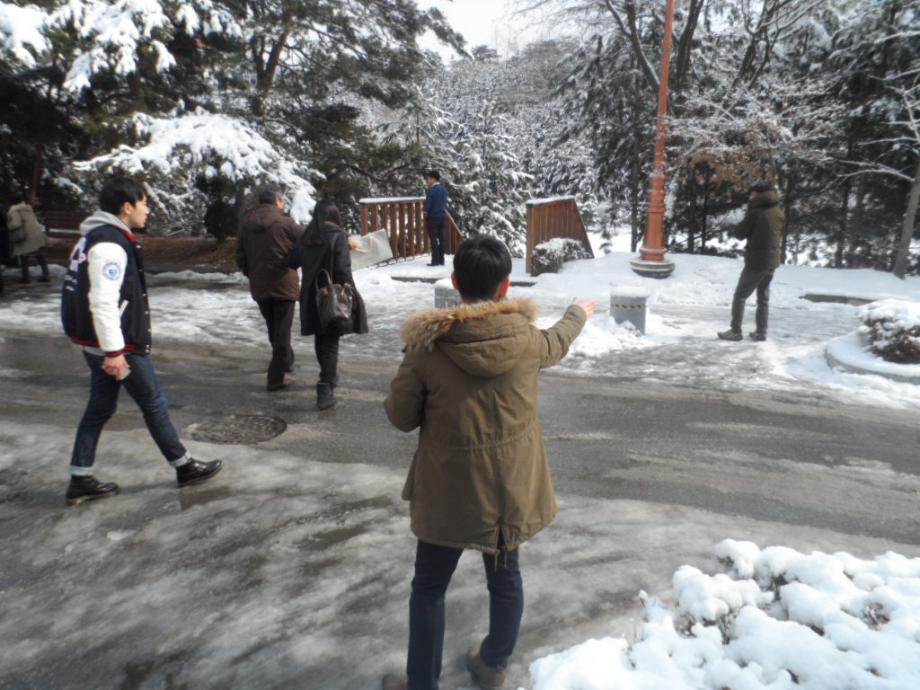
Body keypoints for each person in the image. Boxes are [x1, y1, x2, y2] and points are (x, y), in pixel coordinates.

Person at [381, 235, 595, 690]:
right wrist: (577, 313)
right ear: (505, 286)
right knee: (506, 577)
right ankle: (493, 664)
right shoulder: (528, 340)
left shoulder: (427, 348)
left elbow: (401, 417)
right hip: (508, 492)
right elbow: (558, 340)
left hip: (446, 494)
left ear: (455, 282)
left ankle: (422, 684)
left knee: (429, 588)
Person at [61, 176, 223, 506]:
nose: (148, 210)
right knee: (153, 403)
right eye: (145, 203)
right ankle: (184, 467)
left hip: (97, 342)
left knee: (100, 407)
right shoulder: (109, 245)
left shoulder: (93, 237)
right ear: (127, 207)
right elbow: (102, 302)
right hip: (117, 347)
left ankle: (79, 477)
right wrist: (114, 352)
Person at [288, 201, 367, 410]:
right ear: (335, 216)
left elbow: (292, 261)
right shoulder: (337, 236)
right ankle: (325, 387)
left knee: (320, 338)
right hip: (330, 296)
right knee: (331, 342)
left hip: (310, 296)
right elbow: (342, 269)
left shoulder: (307, 236)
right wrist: (351, 293)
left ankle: (329, 375)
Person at [237, 185, 304, 391]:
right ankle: (275, 378)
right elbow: (308, 239)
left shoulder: (246, 225)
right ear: (278, 201)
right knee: (281, 331)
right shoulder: (286, 223)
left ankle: (286, 360)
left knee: (274, 328)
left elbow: (240, 256)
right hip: (284, 284)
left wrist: (252, 273)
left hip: (259, 285)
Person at [718, 181, 785, 342]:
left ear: (758, 194)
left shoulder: (756, 212)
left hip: (757, 261)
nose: (750, 196)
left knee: (740, 296)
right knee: (763, 297)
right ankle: (761, 332)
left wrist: (742, 221)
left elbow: (740, 234)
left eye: (752, 194)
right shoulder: (778, 212)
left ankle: (735, 331)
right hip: (772, 261)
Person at [7, 191, 50, 283]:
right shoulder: (27, 208)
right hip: (37, 234)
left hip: (26, 236)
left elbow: (16, 224)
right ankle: (46, 275)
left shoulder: (14, 210)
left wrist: (8, 226)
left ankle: (26, 278)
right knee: (39, 255)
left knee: (24, 256)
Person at [423, 170, 448, 267]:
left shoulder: (431, 190)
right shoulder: (443, 189)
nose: (427, 180)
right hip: (441, 216)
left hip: (432, 217)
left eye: (428, 179)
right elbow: (444, 202)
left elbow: (428, 205)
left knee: (434, 240)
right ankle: (441, 260)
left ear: (433, 179)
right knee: (441, 239)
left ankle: (435, 261)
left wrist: (425, 210)